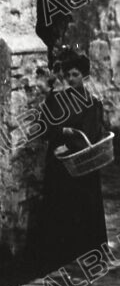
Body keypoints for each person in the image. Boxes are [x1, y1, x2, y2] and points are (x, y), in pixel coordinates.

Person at [35, 49, 112, 270]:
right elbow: (44, 127)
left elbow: (91, 134)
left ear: (84, 76)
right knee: (58, 206)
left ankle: (86, 253)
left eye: (76, 75)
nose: (71, 79)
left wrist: (69, 141)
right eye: (68, 75)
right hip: (59, 165)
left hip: (81, 164)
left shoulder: (92, 103)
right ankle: (58, 254)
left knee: (82, 207)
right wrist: (59, 131)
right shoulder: (57, 99)